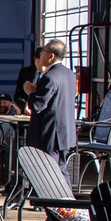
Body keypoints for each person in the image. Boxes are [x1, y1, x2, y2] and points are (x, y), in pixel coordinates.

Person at [23, 40, 75, 184]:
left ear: (51, 56)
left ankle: (53, 204)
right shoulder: (69, 74)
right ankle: (66, 204)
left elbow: (37, 106)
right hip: (65, 134)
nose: (41, 54)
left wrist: (30, 93)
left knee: (49, 175)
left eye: (44, 51)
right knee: (62, 171)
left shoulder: (49, 77)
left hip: (50, 135)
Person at [14, 47, 42, 114]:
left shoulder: (51, 74)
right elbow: (17, 95)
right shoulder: (25, 72)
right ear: (35, 59)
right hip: (27, 115)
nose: (41, 65)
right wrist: (25, 105)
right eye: (39, 62)